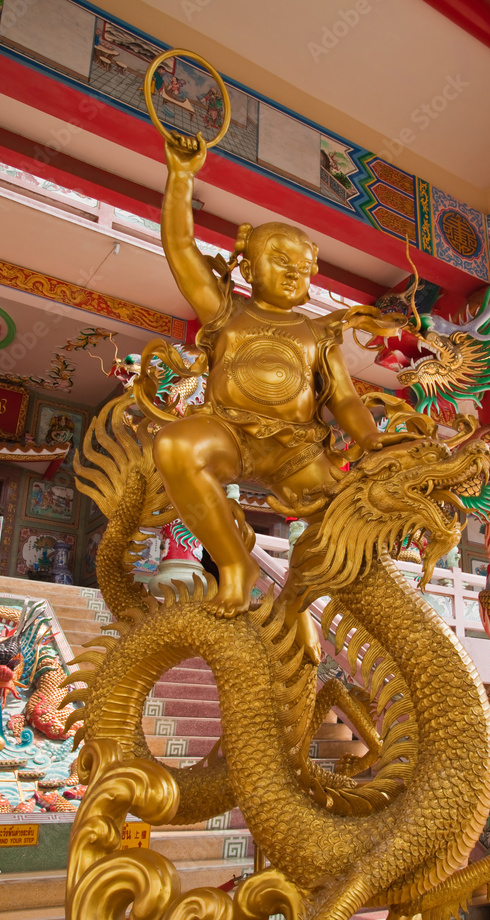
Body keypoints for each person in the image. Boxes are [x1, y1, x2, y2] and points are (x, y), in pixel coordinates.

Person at [149, 133, 409, 649]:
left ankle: (302, 605)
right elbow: (179, 248)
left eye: (302, 265)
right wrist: (181, 178)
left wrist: (370, 439)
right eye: (279, 260)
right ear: (248, 268)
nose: (293, 272)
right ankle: (234, 566)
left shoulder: (318, 333)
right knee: (176, 444)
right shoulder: (227, 310)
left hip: (299, 449)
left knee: (357, 512)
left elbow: (346, 400)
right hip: (229, 433)